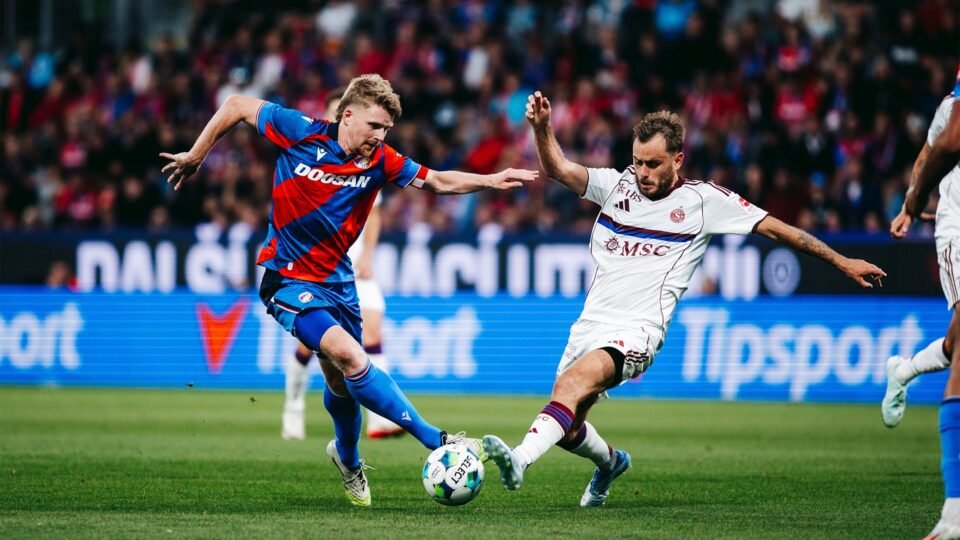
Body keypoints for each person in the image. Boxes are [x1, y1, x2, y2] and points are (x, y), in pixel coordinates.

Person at [482, 92, 885, 507]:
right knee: (567, 426)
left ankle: (519, 459)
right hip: (590, 324)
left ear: (678, 159)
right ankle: (611, 463)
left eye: (653, 163)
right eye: (638, 161)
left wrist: (841, 262)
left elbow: (777, 229)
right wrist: (542, 129)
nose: (642, 172)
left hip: (637, 331)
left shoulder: (704, 202)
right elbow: (558, 169)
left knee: (569, 386)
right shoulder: (616, 185)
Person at [161, 74, 537, 507]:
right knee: (351, 356)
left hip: (339, 283)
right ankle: (440, 439)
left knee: (340, 382)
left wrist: (491, 180)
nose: (380, 136)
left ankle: (347, 459)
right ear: (347, 115)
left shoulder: (382, 161)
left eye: (387, 130)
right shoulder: (299, 130)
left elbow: (437, 181)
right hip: (287, 277)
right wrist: (196, 155)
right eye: (374, 126)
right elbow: (235, 106)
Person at [282, 91, 403, 442]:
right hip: (316, 269)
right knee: (312, 347)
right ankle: (293, 407)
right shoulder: (312, 153)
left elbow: (374, 213)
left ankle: (380, 420)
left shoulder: (369, 160)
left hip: (354, 267)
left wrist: (367, 255)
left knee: (373, 333)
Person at [886, 68, 960, 540]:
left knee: (956, 342)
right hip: (959, 222)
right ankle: (955, 514)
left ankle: (905, 369)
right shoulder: (949, 109)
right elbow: (938, 148)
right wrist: (911, 204)